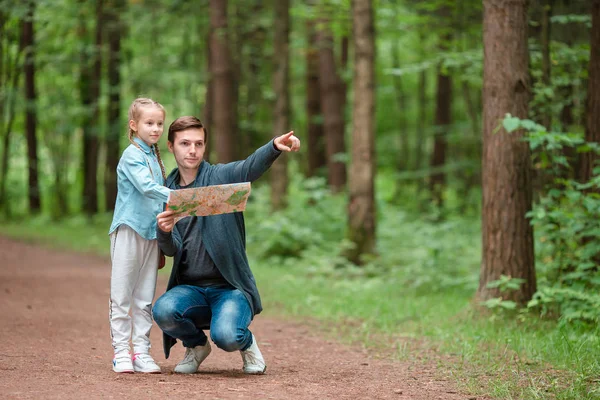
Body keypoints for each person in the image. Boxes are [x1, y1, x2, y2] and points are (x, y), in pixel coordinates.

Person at [152, 116, 300, 374]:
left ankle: (247, 343)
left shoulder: (221, 176)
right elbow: (171, 250)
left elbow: (248, 167)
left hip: (230, 288)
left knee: (227, 336)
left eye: (198, 144)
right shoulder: (167, 191)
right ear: (171, 146)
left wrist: (274, 146)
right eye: (185, 143)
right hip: (191, 289)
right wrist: (164, 232)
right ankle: (197, 346)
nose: (192, 150)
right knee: (164, 310)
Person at [108, 98, 171, 374]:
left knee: (145, 296)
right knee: (122, 293)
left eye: (159, 123)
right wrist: (179, 197)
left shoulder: (154, 155)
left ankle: (141, 351)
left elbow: (157, 196)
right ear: (134, 126)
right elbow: (146, 188)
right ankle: (121, 351)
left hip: (150, 233)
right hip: (129, 229)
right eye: (149, 123)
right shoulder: (132, 154)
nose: (156, 128)